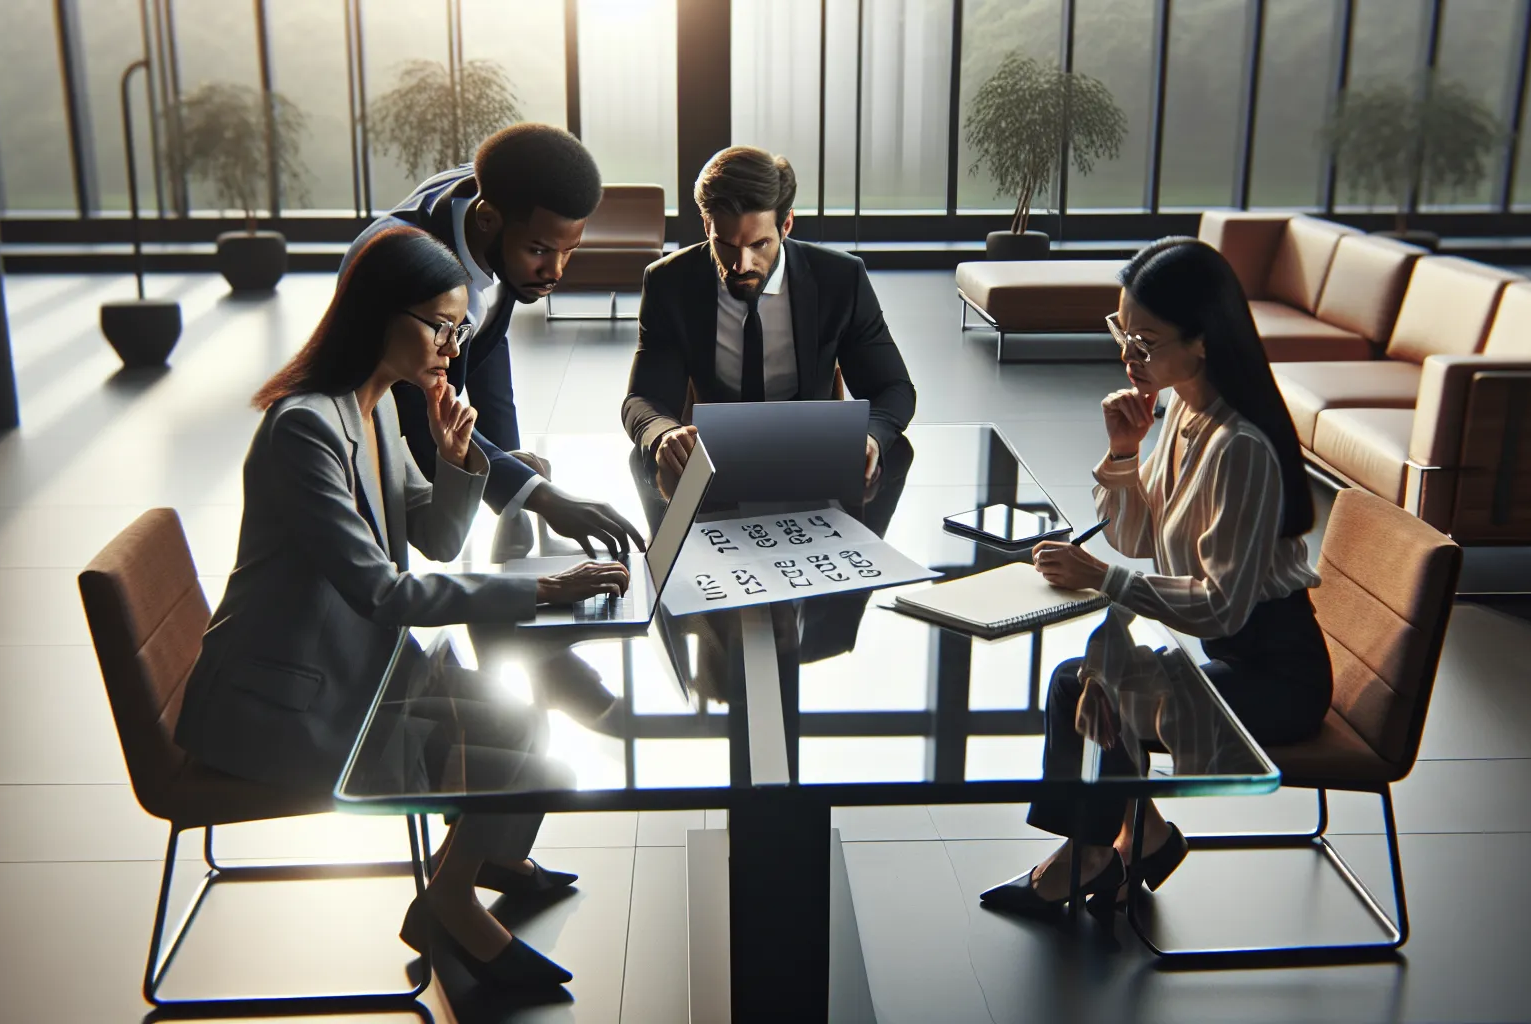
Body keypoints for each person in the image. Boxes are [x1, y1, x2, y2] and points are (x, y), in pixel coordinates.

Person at [174, 226, 631, 989]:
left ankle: (476, 867)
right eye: (439, 325)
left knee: (528, 729)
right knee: (531, 758)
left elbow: (436, 540)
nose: (454, 345)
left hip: (355, 668)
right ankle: (451, 901)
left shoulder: (375, 405)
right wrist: (542, 588)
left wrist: (456, 466)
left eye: (459, 326)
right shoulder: (305, 429)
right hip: (284, 705)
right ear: (380, 314)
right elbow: (382, 593)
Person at [979, 237, 1333, 918]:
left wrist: (1105, 579)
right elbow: (1139, 538)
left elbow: (1224, 609)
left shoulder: (1242, 448)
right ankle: (1142, 836)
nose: (1127, 355)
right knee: (1088, 680)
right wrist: (1122, 454)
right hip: (1236, 656)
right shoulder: (1181, 412)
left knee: (1086, 684)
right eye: (1122, 330)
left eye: (1145, 341)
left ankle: (1093, 852)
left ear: (1202, 341)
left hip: (1278, 680)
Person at [348, 122, 643, 557]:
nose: (556, 272)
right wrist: (541, 496)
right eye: (540, 250)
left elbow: (488, 338)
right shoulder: (404, 273)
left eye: (570, 250)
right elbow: (421, 416)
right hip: (366, 446)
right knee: (382, 555)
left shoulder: (497, 201)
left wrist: (509, 458)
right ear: (487, 219)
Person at [622, 145, 916, 481]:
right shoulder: (668, 282)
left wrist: (870, 437)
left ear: (786, 224)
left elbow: (894, 389)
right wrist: (663, 434)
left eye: (759, 244)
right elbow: (643, 397)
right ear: (707, 226)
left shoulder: (840, 279)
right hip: (713, 472)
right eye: (726, 244)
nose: (740, 264)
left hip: (813, 467)